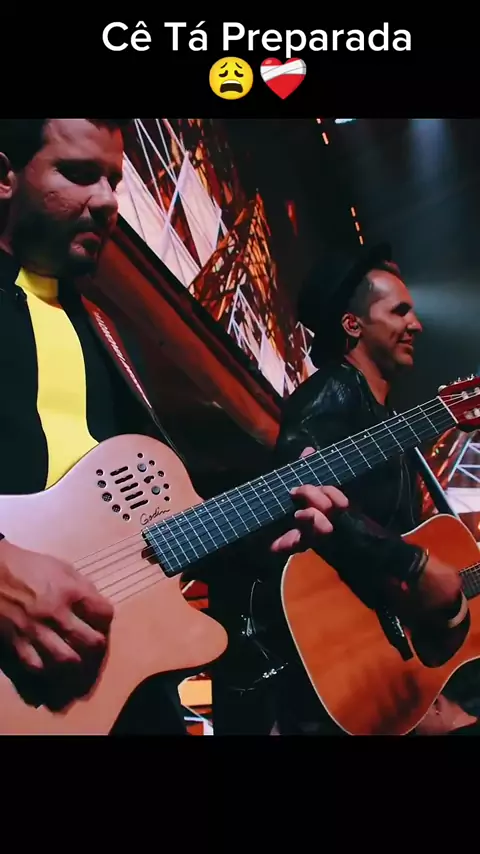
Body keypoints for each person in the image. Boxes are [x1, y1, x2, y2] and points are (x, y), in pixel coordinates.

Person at [0, 117, 355, 734]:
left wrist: (258, 529)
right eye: (78, 174)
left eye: (114, 181)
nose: (107, 200)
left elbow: (142, 536)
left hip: (109, 688)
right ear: (5, 178)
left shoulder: (106, 334)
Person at [270, 241, 479, 736]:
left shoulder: (389, 422)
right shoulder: (332, 392)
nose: (417, 325)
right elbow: (297, 488)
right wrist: (410, 565)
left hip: (394, 661)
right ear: (353, 325)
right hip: (339, 651)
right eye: (400, 311)